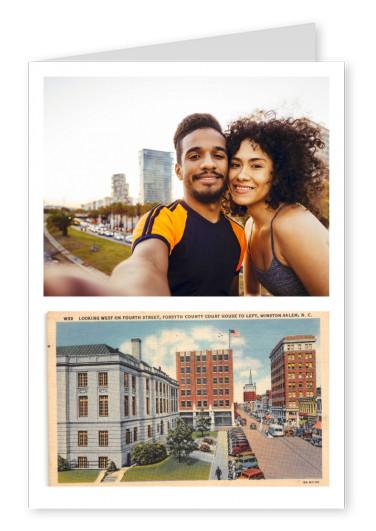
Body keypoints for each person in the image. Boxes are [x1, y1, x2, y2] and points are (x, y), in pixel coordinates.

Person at [44, 113, 246, 296]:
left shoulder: (238, 233)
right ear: (178, 170)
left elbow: (230, 294)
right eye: (194, 156)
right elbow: (145, 264)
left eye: (218, 155)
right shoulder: (163, 219)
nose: (208, 163)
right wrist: (129, 296)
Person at [223, 115, 329, 296]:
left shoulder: (295, 224)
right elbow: (251, 296)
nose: (241, 175)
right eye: (235, 164)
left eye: (256, 166)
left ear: (278, 174)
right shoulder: (250, 227)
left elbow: (334, 309)